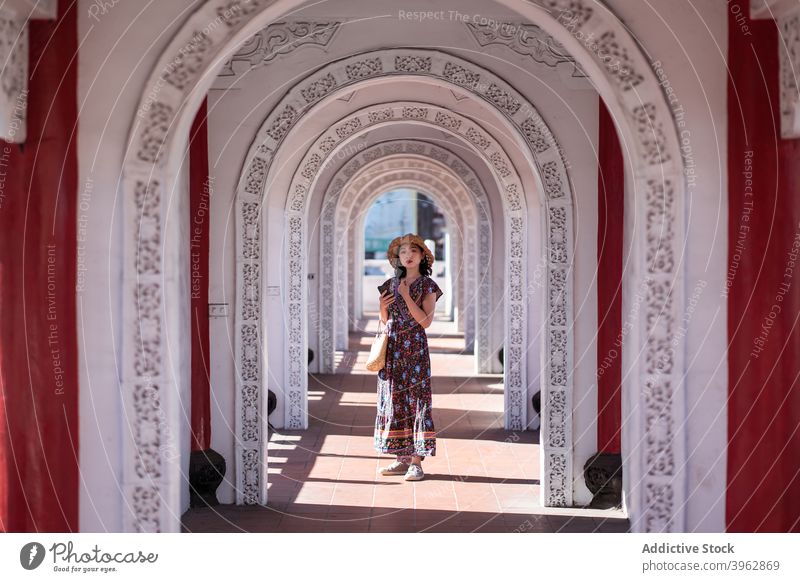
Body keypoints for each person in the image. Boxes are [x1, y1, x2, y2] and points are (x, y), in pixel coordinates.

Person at [373, 233, 443, 481]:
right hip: (393, 349)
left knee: (416, 402)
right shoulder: (389, 285)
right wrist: (382, 307)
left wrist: (404, 296)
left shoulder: (427, 286)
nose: (408, 255)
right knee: (395, 401)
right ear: (397, 258)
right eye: (403, 252)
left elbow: (425, 322)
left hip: (414, 349)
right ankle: (400, 458)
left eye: (413, 251)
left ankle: (416, 463)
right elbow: (385, 321)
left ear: (423, 255)